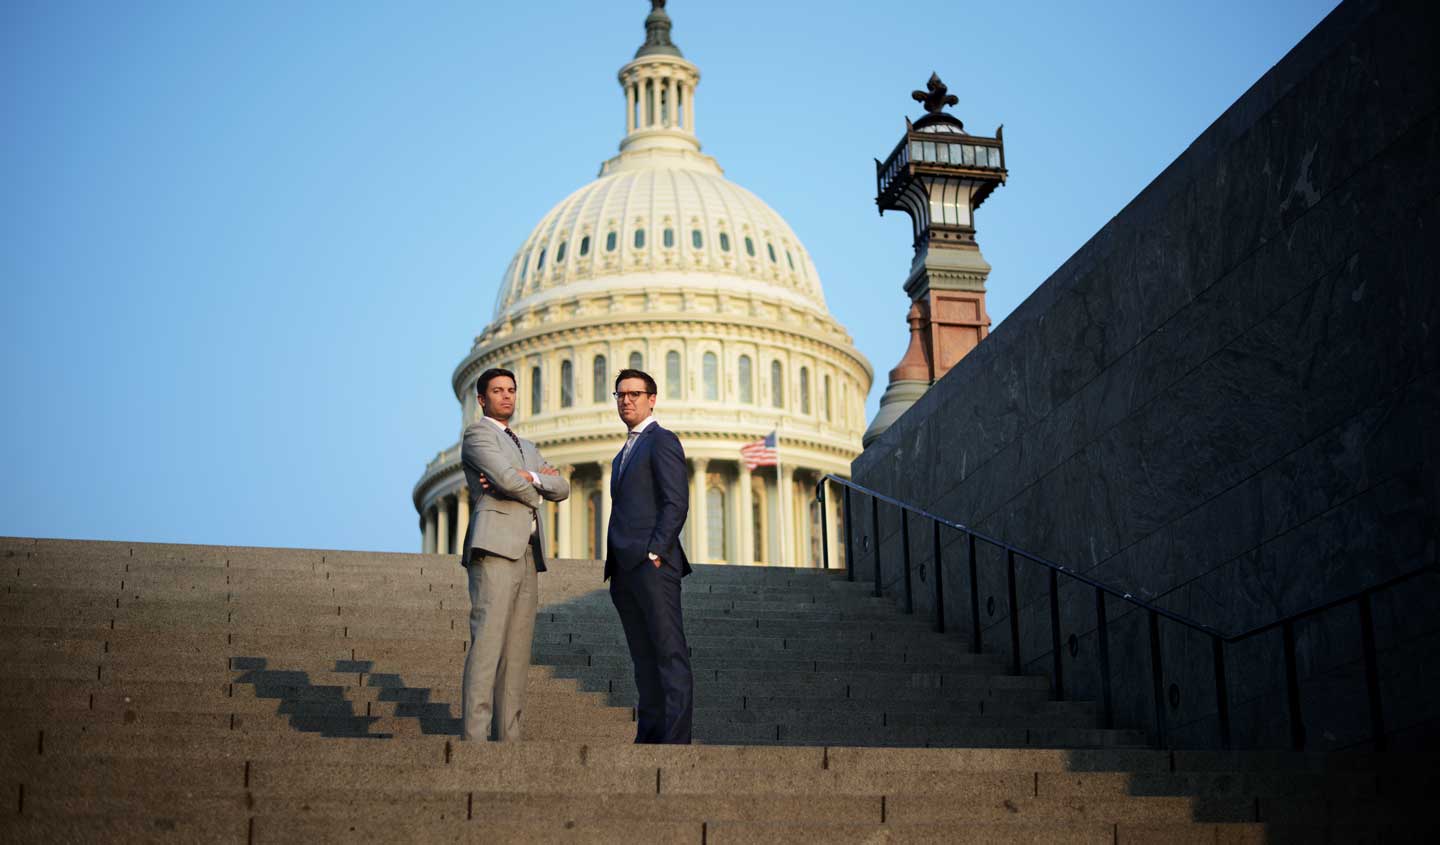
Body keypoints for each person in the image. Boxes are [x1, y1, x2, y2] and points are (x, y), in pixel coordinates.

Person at [458, 367, 569, 742]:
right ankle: (475, 737)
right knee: (488, 645)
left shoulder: (527, 446)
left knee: (517, 655)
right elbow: (505, 479)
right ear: (481, 399)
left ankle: (509, 737)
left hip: (527, 553)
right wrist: (534, 484)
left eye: (511, 390)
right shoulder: (477, 435)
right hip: (495, 548)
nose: (506, 396)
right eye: (497, 391)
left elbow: (564, 485)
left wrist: (530, 477)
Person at [604, 368, 693, 744]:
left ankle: (674, 741)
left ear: (652, 399)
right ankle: (651, 734)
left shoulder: (662, 440)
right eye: (621, 395)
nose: (627, 400)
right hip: (624, 571)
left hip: (653, 565)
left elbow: (676, 501)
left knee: (668, 655)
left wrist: (656, 550)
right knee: (643, 660)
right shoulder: (620, 455)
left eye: (635, 394)